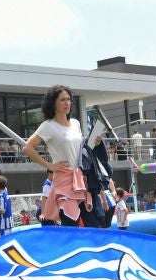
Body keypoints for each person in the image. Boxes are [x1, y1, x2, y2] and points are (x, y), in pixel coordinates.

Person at [24, 85, 101, 227]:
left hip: (81, 179)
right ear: (53, 103)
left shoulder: (76, 123)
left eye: (69, 99)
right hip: (64, 180)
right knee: (70, 224)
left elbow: (80, 150)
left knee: (93, 224)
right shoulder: (48, 126)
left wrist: (93, 143)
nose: (67, 103)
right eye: (62, 100)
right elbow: (28, 147)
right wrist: (49, 166)